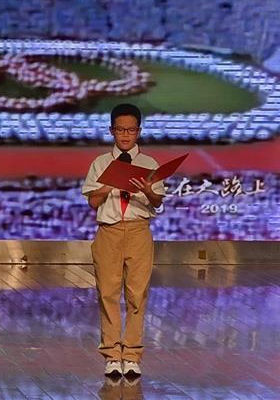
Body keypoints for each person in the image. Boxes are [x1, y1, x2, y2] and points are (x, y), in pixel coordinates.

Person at [80, 103, 165, 379]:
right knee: (108, 293)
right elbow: (93, 202)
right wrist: (108, 185)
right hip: (109, 231)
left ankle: (131, 355)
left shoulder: (149, 164)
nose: (125, 135)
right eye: (120, 129)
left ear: (139, 131)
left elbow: (157, 202)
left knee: (137, 294)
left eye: (130, 130)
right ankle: (112, 355)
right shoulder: (100, 163)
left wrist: (148, 190)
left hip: (139, 231)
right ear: (111, 131)